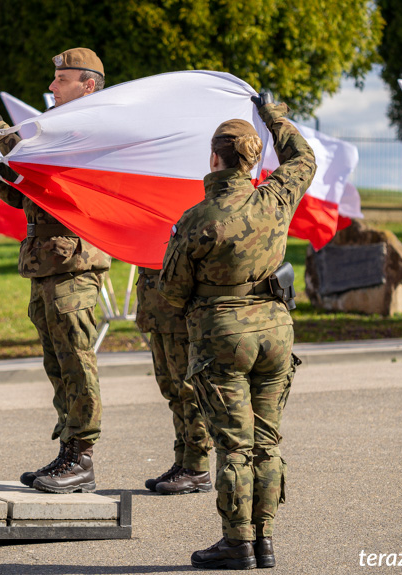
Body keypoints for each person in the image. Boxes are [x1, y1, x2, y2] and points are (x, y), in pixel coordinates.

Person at [159, 93, 316, 570]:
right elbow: (303, 158)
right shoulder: (276, 196)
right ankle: (265, 540)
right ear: (253, 159)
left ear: (214, 158)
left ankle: (237, 542)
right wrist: (274, 117)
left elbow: (170, 291)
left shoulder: (197, 220)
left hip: (222, 338)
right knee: (267, 442)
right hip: (276, 333)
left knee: (233, 444)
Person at [0, 48, 111, 494]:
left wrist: (4, 138)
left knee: (76, 359)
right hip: (48, 261)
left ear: (89, 84)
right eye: (54, 78)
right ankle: (68, 450)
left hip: (75, 263)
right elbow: (27, 197)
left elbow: (52, 178)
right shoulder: (55, 127)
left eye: (62, 80)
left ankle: (82, 456)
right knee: (57, 361)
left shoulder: (92, 129)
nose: (52, 86)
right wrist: (3, 168)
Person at [135, 266, 213, 495]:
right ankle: (182, 461)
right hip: (156, 310)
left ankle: (197, 467)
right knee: (171, 390)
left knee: (189, 392)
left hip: (178, 312)